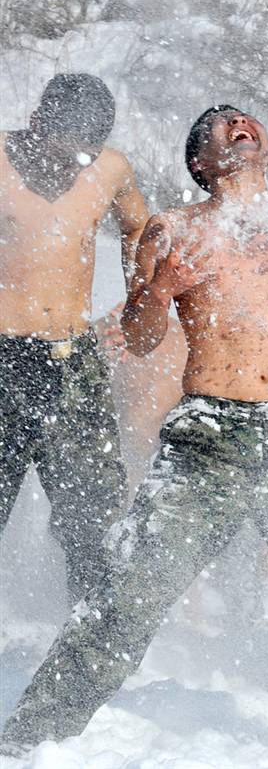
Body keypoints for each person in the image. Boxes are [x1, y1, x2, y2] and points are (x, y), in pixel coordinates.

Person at [0, 105, 268, 751]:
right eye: (222, 124)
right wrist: (159, 290)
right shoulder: (173, 229)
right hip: (209, 435)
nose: (239, 124)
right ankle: (29, 741)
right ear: (199, 161)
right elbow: (140, 342)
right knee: (124, 599)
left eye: (247, 120)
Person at [0, 73, 148, 602]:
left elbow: (140, 230)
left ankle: (86, 653)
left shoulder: (110, 169)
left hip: (71, 356)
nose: (72, 170)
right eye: (63, 155)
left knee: (93, 511)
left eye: (84, 159)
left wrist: (136, 300)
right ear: (37, 124)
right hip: (2, 351)